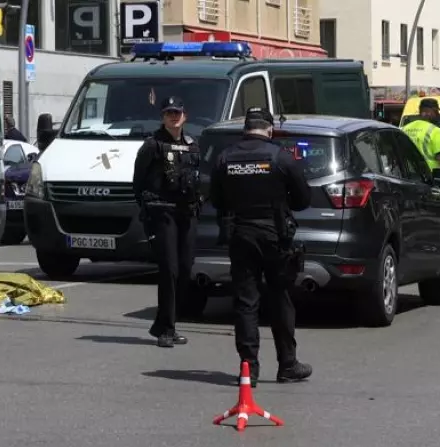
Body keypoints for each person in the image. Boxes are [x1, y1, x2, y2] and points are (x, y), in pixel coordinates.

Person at [210, 107, 313, 387]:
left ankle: (248, 369)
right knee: (280, 297)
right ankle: (288, 365)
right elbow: (304, 199)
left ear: (245, 129)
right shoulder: (280, 157)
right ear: (268, 129)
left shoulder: (225, 158)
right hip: (274, 236)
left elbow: (215, 198)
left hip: (241, 235)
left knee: (246, 302)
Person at [132, 96, 202, 347]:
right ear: (162, 116)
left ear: (185, 115)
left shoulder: (193, 144)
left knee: (185, 269)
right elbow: (138, 182)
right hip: (162, 213)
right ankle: (166, 329)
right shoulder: (152, 145)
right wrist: (148, 207)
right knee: (169, 270)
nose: (174, 116)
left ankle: (164, 323)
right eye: (169, 113)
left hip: (187, 213)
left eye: (177, 112)